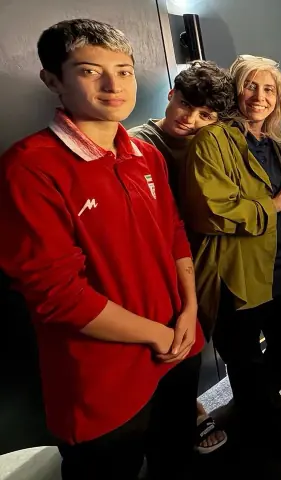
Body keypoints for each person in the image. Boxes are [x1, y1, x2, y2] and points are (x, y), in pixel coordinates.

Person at [0, 19, 204, 479]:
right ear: (53, 79)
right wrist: (156, 334)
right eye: (91, 70)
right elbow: (56, 294)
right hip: (103, 375)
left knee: (177, 458)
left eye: (125, 70)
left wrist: (190, 310)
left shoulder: (144, 154)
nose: (114, 85)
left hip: (180, 342)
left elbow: (173, 233)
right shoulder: (30, 168)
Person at [180, 55, 281, 457]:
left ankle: (259, 401)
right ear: (235, 89)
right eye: (251, 86)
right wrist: (274, 204)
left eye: (269, 89)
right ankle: (262, 422)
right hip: (235, 269)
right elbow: (212, 210)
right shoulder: (211, 141)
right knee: (245, 355)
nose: (259, 96)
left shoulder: (274, 144)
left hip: (279, 264)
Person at [129, 59, 233, 455]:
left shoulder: (210, 144)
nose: (190, 119)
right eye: (185, 105)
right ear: (170, 96)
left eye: (204, 114)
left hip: (197, 258)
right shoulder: (139, 144)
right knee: (162, 353)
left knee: (190, 345)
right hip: (154, 266)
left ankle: (186, 411)